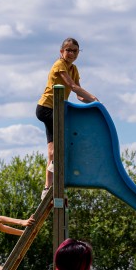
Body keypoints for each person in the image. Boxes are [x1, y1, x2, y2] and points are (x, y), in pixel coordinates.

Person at [36, 37, 99, 199]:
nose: (71, 53)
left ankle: (47, 187)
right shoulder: (59, 65)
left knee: (51, 151)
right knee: (62, 143)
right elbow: (72, 86)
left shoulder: (74, 68)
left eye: (75, 51)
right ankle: (55, 174)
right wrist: (95, 99)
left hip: (56, 109)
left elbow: (77, 95)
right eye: (68, 50)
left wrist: (90, 104)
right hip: (47, 108)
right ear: (61, 51)